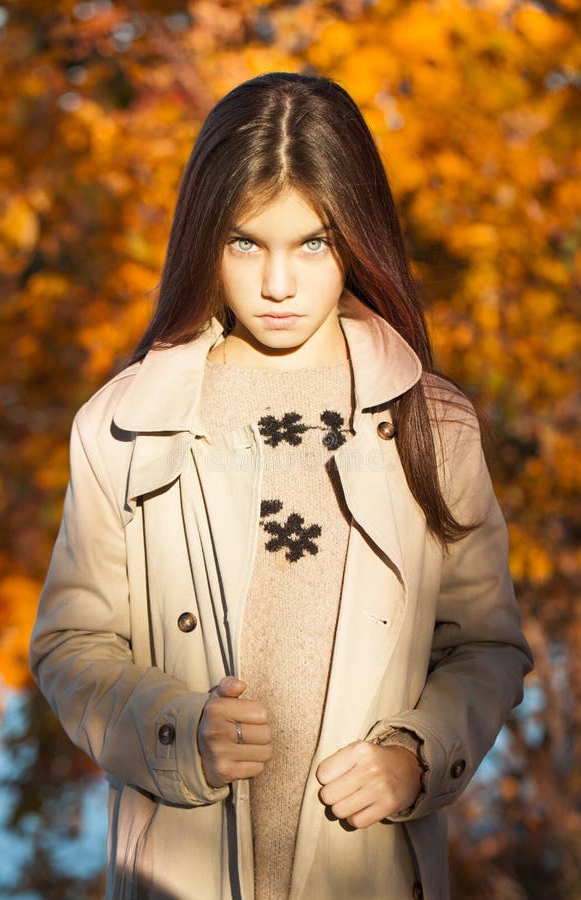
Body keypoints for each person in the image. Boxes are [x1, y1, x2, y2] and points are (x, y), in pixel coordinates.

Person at [30, 72, 533, 900]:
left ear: (357, 237)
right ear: (204, 239)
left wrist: (415, 754)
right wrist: (174, 732)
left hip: (364, 872)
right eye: (245, 243)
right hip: (175, 875)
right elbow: (69, 647)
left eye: (313, 243)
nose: (278, 285)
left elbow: (486, 644)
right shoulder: (124, 423)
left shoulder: (431, 424)